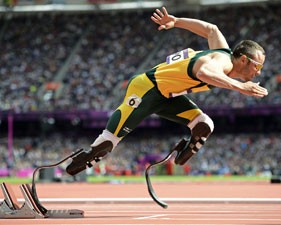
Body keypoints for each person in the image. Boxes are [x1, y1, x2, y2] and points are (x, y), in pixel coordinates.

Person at [66, 7, 268, 176]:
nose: (258, 72)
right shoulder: (222, 61)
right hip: (147, 88)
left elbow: (211, 29)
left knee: (204, 123)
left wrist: (178, 21)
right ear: (243, 60)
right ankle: (86, 156)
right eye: (257, 66)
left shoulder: (224, 53)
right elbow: (205, 72)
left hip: (167, 96)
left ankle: (183, 152)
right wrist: (241, 87)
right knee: (110, 140)